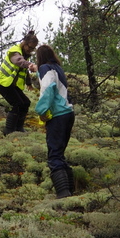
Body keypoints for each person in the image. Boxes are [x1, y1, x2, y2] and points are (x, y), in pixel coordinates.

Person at [33, 44, 75, 198]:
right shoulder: (57, 68)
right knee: (59, 153)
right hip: (68, 113)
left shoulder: (45, 68)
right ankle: (70, 189)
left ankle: (63, 193)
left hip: (58, 115)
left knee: (54, 155)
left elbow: (48, 88)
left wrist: (41, 110)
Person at [0, 31, 39, 135]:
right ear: (25, 43)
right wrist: (30, 65)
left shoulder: (25, 55)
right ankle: (9, 130)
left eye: (33, 49)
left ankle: (19, 128)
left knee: (26, 103)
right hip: (3, 83)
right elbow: (19, 61)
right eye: (30, 47)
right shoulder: (14, 51)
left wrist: (28, 83)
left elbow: (24, 70)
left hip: (12, 85)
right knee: (17, 104)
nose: (31, 50)